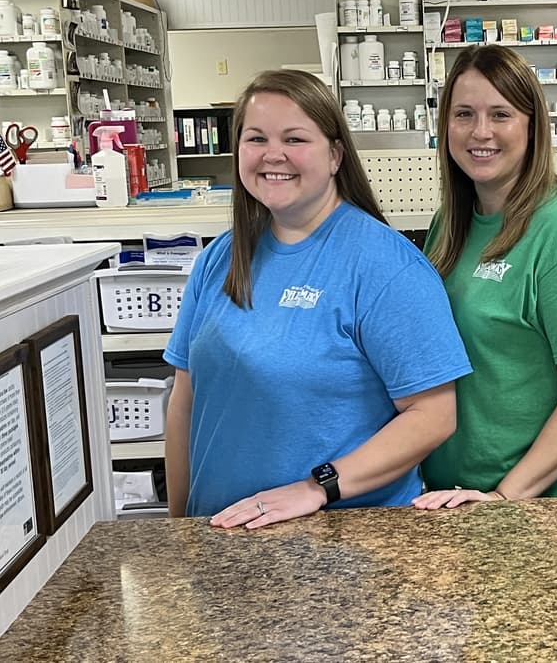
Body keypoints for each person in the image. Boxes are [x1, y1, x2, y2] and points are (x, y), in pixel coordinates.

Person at [164, 69, 471, 526]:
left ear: (335, 155)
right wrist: (178, 528)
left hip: (342, 539)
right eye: (256, 138)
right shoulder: (220, 259)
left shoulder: (385, 265)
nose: (273, 155)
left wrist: (318, 486)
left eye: (294, 139)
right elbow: (185, 402)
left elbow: (433, 415)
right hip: (221, 534)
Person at [412, 45, 557, 509]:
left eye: (501, 114)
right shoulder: (450, 223)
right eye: (464, 114)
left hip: (539, 505)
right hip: (454, 496)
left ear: (532, 125)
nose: (480, 131)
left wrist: (504, 496)